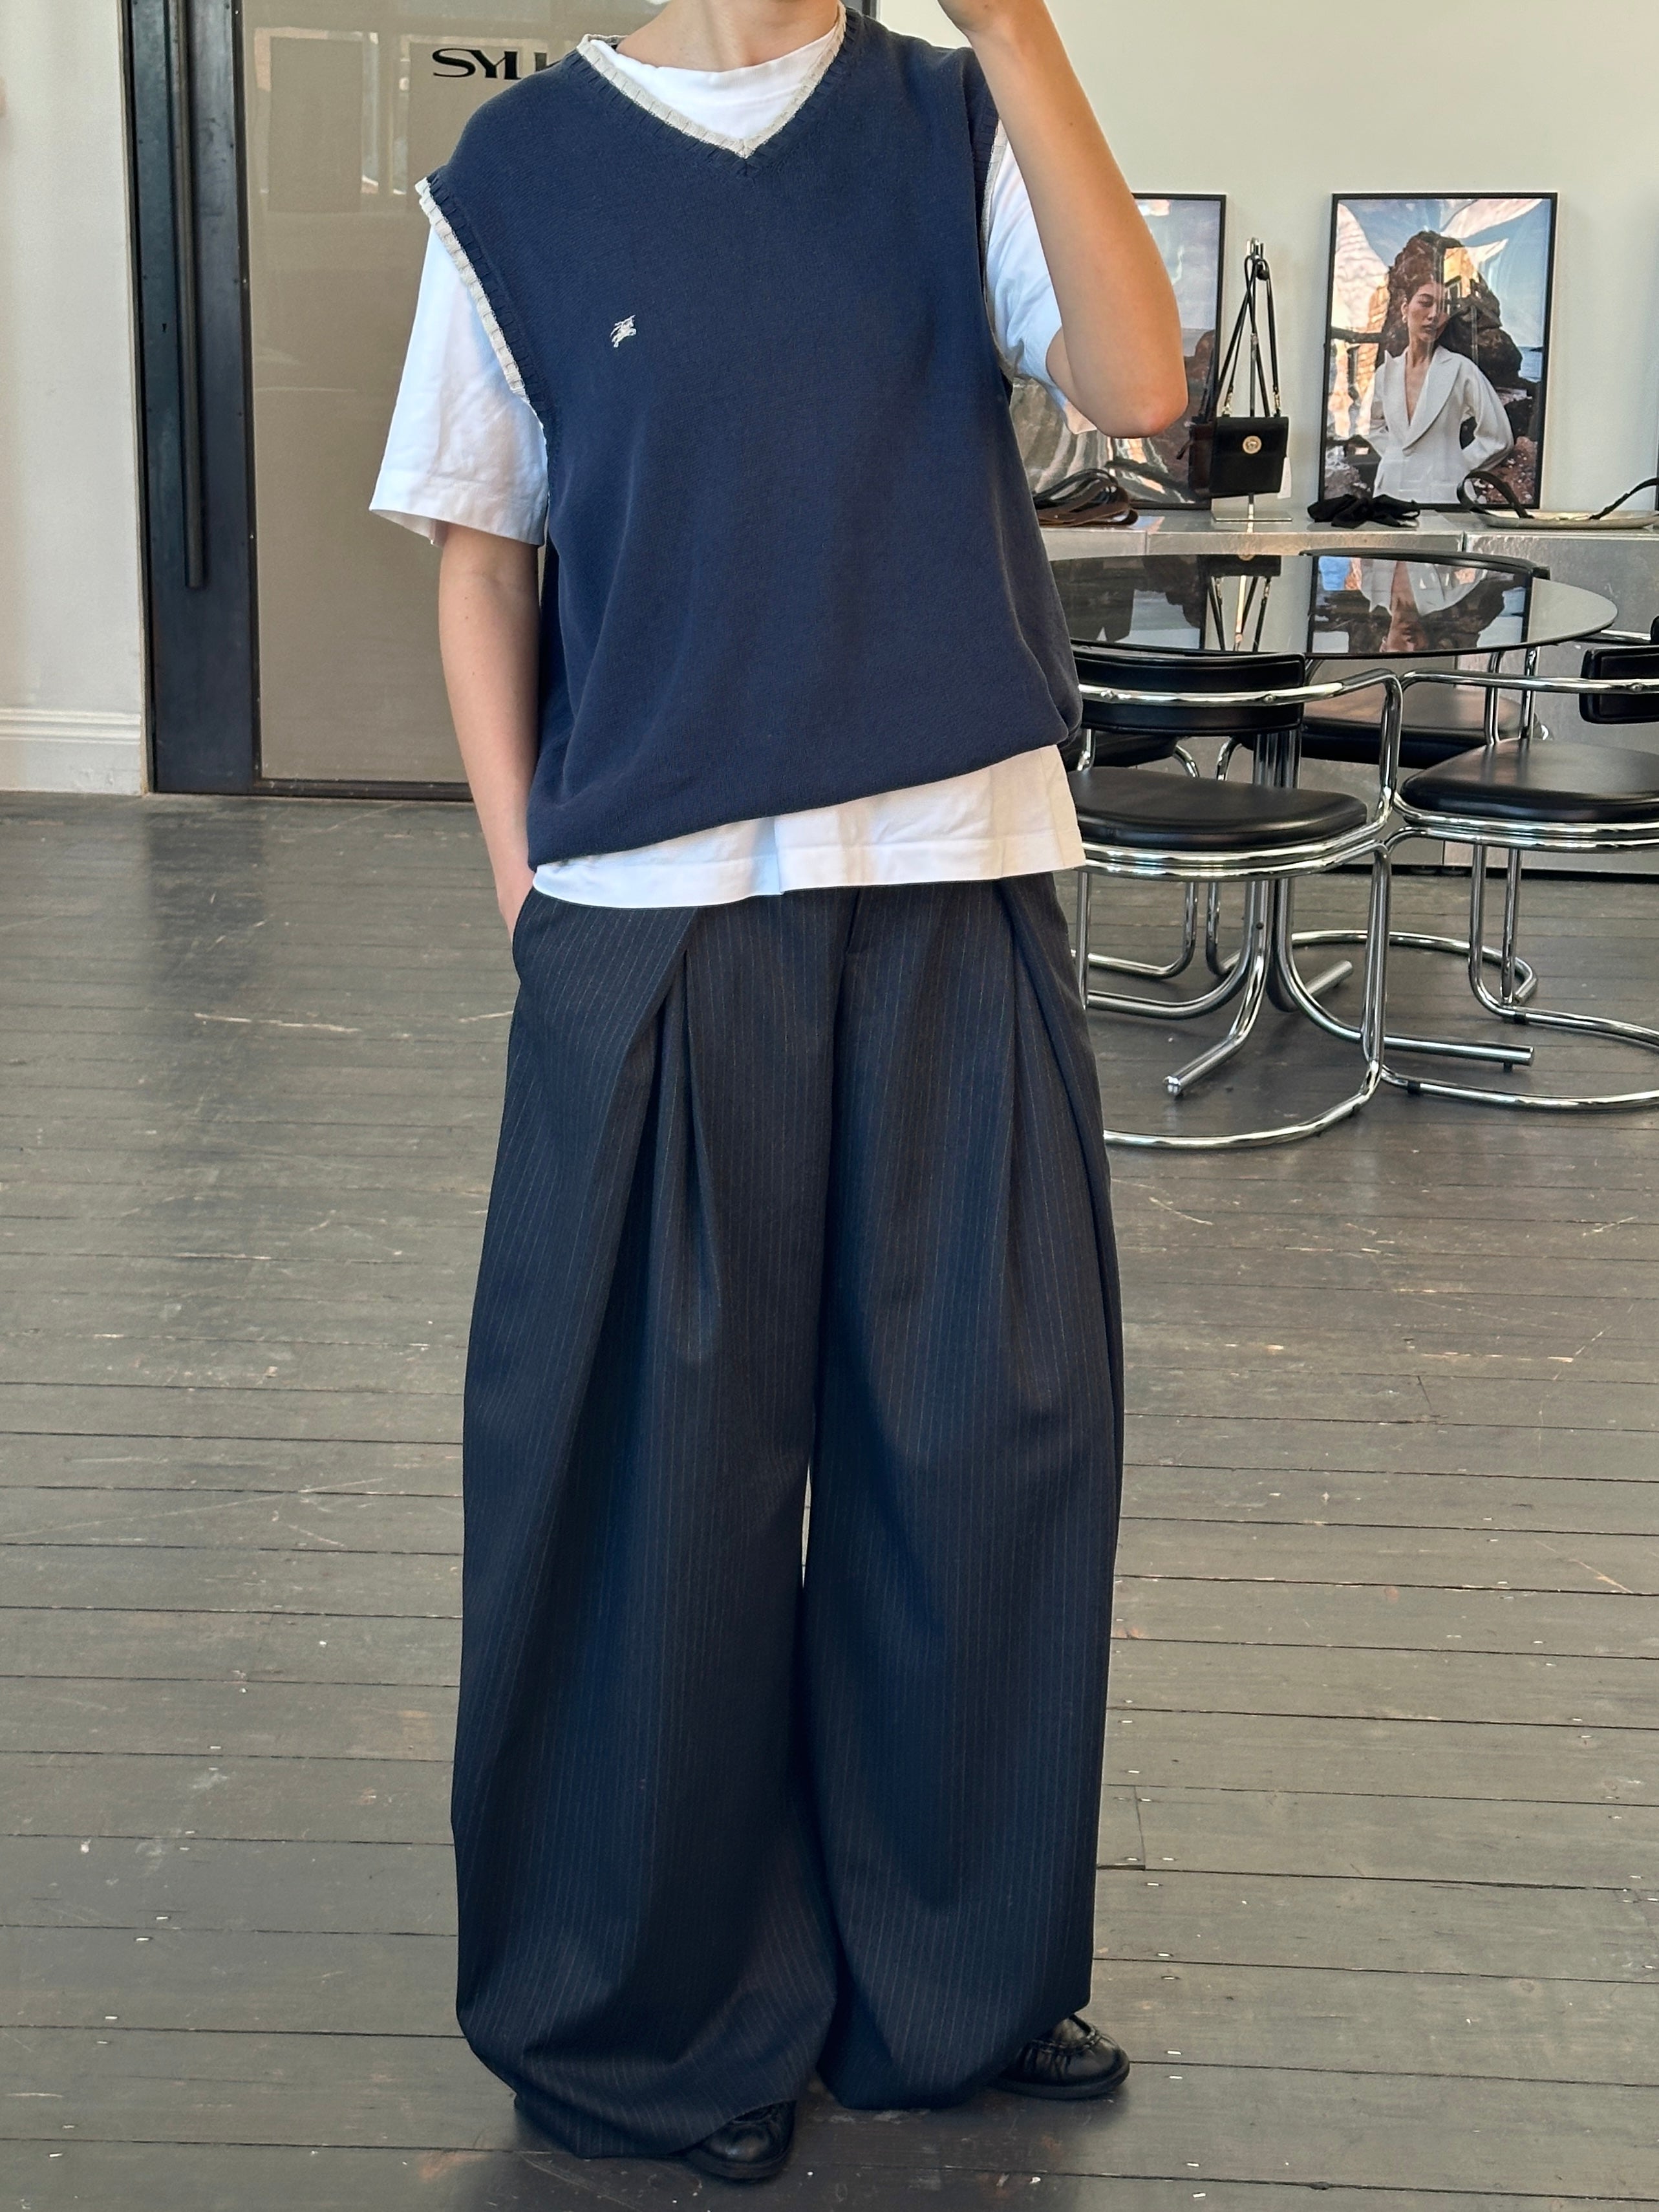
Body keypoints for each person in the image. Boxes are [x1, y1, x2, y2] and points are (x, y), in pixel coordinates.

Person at [372, 0, 1184, 2186]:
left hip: (956, 878)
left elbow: (1138, 386)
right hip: (650, 911)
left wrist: (1014, 29)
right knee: (643, 1490)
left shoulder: (948, 116)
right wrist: (531, 895)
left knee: (984, 1454)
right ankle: (645, 2014)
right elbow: (482, 556)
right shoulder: (521, 182)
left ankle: (954, 1980)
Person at [1366, 261, 1514, 507]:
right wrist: (1395, 456)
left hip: (1444, 496)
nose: (1434, 315)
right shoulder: (1386, 373)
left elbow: (1498, 437)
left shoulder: (1461, 369)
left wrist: (1455, 465)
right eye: (1425, 303)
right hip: (1389, 496)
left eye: (1443, 308)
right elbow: (1372, 425)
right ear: (1405, 308)